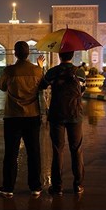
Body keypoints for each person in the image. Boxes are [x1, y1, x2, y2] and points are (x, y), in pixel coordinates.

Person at [0, 41, 45, 198]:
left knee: (11, 153)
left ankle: (8, 188)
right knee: (33, 152)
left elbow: (2, 87)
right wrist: (40, 67)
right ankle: (35, 187)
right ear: (28, 53)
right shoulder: (37, 71)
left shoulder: (9, 71)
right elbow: (42, 86)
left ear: (15, 53)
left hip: (12, 116)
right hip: (32, 116)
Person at [40, 51, 85, 196]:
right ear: (72, 56)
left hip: (57, 114)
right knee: (76, 150)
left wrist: (41, 68)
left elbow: (42, 85)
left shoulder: (53, 72)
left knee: (57, 150)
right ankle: (78, 185)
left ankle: (57, 187)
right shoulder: (80, 71)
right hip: (75, 114)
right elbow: (83, 90)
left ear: (60, 56)